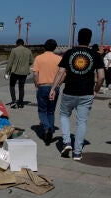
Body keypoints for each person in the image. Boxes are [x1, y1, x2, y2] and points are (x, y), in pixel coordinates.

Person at [49, 28, 105, 161]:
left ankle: (67, 142)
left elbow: (61, 72)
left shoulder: (69, 53)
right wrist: (96, 89)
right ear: (90, 39)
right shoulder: (95, 55)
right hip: (86, 93)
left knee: (64, 115)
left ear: (78, 38)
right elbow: (101, 76)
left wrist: (53, 88)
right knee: (82, 122)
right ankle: (78, 152)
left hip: (69, 91)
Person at [32, 39, 62, 145]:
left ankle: (47, 127)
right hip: (54, 87)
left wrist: (36, 84)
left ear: (44, 47)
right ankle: (50, 130)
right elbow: (64, 74)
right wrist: (58, 84)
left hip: (43, 86)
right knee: (51, 111)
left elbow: (35, 74)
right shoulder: (59, 59)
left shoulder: (39, 58)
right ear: (54, 48)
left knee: (42, 110)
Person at [5, 38, 34, 108]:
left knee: (12, 86)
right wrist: (25, 65)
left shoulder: (14, 50)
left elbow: (10, 62)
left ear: (17, 44)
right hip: (24, 72)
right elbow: (31, 61)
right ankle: (21, 103)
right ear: (23, 44)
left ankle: (14, 101)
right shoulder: (28, 51)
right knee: (21, 87)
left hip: (15, 71)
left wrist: (6, 72)